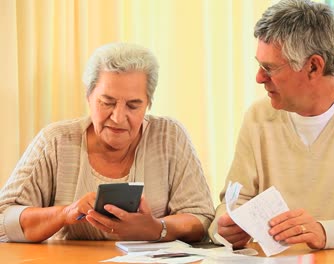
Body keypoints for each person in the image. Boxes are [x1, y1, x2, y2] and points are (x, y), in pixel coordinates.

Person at [208, 0, 334, 250]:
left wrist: (324, 232)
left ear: (313, 66)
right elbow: (231, 204)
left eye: (269, 68)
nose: (259, 77)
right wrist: (225, 227)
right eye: (259, 65)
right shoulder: (258, 117)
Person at [0, 42, 215, 243]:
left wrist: (158, 228)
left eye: (133, 106)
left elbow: (202, 218)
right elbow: (4, 219)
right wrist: (65, 213)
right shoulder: (56, 141)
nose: (118, 117)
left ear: (148, 103)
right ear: (89, 97)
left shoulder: (169, 137)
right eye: (107, 103)